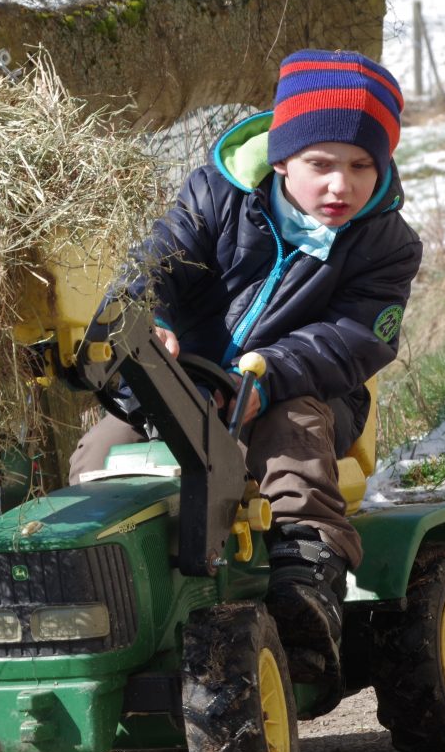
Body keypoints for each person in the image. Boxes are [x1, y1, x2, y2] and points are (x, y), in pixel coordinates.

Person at [69, 49, 422, 674]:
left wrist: (266, 375)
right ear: (282, 158)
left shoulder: (386, 243)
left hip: (303, 390)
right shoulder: (215, 196)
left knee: (292, 432)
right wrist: (148, 317)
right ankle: (107, 595)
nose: (340, 185)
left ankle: (306, 575)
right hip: (184, 381)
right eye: (320, 164)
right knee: (101, 454)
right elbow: (158, 261)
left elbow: (353, 339)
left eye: (361, 165)